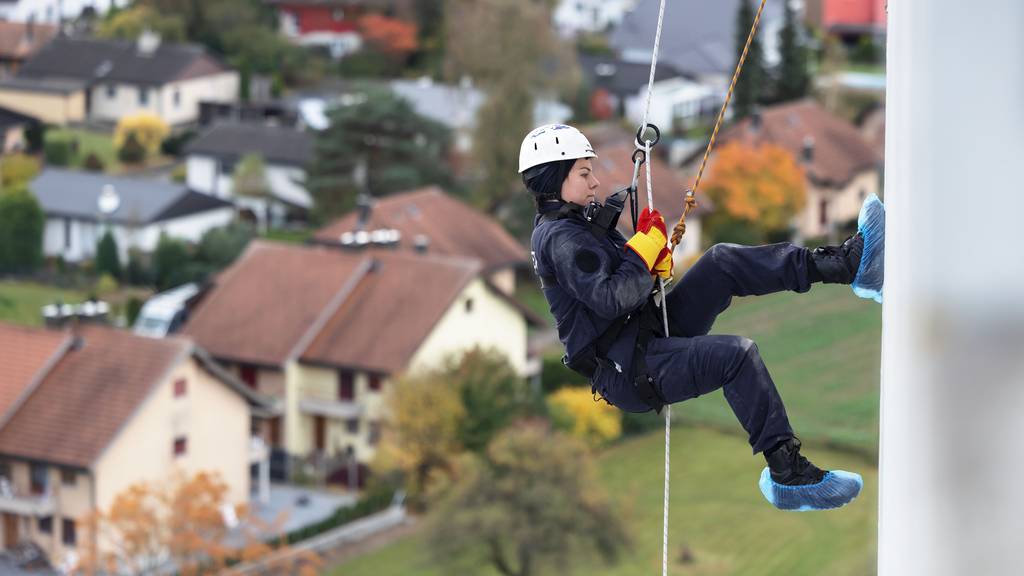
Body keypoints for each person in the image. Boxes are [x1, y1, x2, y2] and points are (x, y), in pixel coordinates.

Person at [522, 123, 863, 511]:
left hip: (643, 333)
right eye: (584, 173)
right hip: (629, 368)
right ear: (554, 178)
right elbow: (611, 298)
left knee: (722, 262)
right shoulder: (561, 238)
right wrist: (642, 254)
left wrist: (651, 264)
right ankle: (788, 472)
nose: (595, 182)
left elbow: (624, 283)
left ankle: (841, 265)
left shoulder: (578, 225)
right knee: (737, 356)